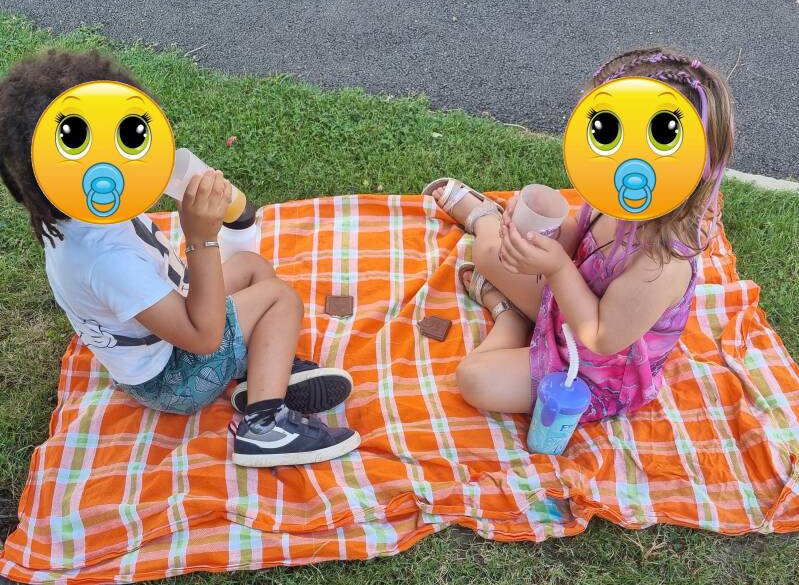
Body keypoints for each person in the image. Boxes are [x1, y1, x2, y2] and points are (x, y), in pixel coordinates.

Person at [0, 49, 360, 467]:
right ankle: (265, 426)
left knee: (252, 269)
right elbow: (202, 337)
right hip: (171, 378)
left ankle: (263, 368)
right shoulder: (105, 261)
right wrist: (200, 239)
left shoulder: (78, 208)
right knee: (280, 298)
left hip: (171, 331)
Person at [424, 48, 734, 423]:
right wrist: (542, 236)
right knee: (489, 254)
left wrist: (556, 267)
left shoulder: (661, 263)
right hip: (565, 308)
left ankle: (510, 319)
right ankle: (487, 217)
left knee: (475, 379)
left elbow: (600, 336)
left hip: (592, 371)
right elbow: (576, 236)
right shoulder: (615, 194)